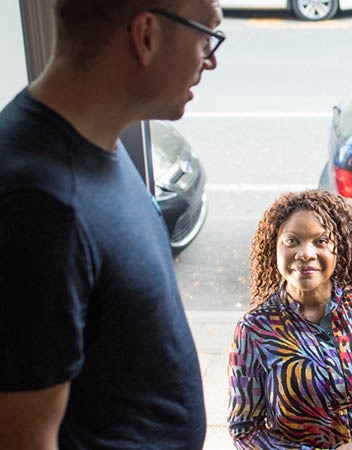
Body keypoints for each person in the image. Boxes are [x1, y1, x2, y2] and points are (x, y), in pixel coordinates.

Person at [0, 0, 222, 448]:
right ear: (147, 36)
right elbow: (24, 436)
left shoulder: (93, 138)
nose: (211, 59)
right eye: (205, 37)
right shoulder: (40, 207)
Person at [228, 190, 352, 450]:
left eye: (320, 241)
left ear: (339, 249)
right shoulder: (254, 330)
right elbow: (244, 431)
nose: (305, 253)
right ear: (273, 247)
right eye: (291, 241)